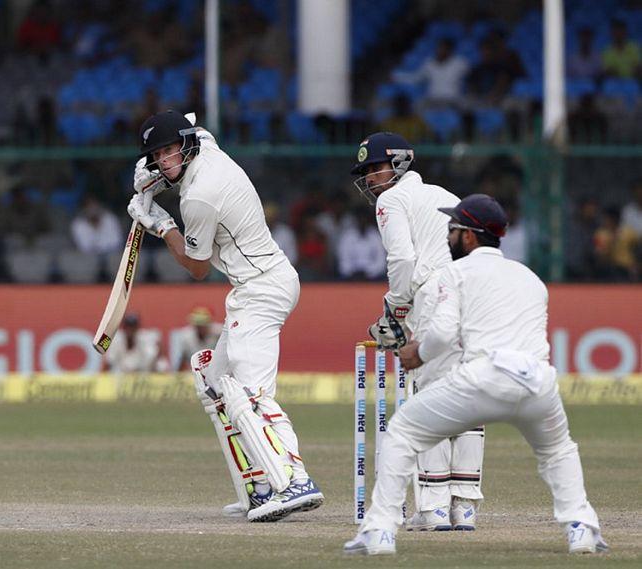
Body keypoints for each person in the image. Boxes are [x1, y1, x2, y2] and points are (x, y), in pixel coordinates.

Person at [344, 194, 608, 556]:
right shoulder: (531, 278)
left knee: (402, 433)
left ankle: (380, 532)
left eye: (452, 230)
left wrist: (415, 354)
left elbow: (442, 334)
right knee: (559, 450)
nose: (448, 237)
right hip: (537, 382)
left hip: (484, 377)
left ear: (469, 236)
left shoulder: (455, 272)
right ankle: (582, 529)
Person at [127, 110, 323, 522]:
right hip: (256, 284)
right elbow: (190, 132)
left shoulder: (198, 197)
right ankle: (258, 485)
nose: (164, 160)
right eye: (156, 155)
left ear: (186, 143)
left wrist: (160, 224)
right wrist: (154, 181)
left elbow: (197, 268)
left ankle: (295, 480)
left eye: (169, 150)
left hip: (262, 288)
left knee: (250, 393)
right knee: (214, 382)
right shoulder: (206, 143)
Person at [351, 132, 485, 531]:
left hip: (431, 294)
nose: (372, 178)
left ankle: (434, 507)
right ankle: (464, 507)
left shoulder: (391, 201)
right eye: (368, 172)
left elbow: (403, 258)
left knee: (430, 398)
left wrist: (395, 308)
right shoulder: (443, 192)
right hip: (470, 290)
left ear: (399, 163)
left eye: (377, 167)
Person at [172, 306, 222, 371]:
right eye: (198, 324)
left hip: (217, 370)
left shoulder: (219, 333)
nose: (201, 327)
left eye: (203, 324)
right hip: (194, 372)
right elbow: (181, 359)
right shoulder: (185, 337)